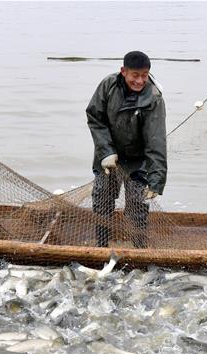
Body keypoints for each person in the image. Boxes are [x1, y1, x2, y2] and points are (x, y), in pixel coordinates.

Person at [86, 50, 167, 248]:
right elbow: (95, 118)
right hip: (109, 157)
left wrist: (156, 181)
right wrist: (106, 151)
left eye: (145, 75)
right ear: (124, 71)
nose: (140, 81)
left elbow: (156, 142)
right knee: (102, 200)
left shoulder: (154, 98)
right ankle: (101, 246)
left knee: (138, 204)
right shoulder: (108, 85)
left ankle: (139, 248)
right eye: (135, 75)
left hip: (138, 161)